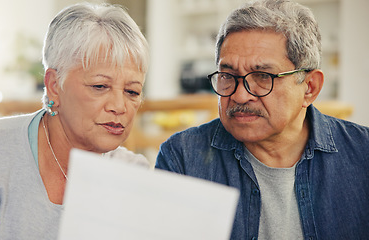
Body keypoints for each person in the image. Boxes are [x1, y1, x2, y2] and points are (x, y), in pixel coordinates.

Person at [0, 2, 149, 239]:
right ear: (54, 86)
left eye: (132, 92)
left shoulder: (134, 176)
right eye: (100, 86)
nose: (119, 106)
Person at [156, 0, 369, 239]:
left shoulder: (363, 154)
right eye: (227, 75)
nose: (239, 95)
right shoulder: (182, 158)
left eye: (262, 76)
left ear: (310, 87)